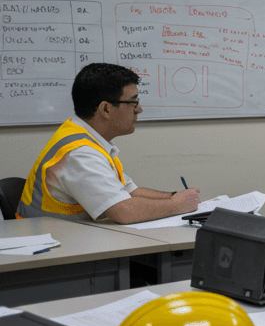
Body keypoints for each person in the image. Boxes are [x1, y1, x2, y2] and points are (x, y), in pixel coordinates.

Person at [18, 62, 200, 223]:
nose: (139, 110)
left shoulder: (86, 137)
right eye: (133, 102)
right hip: (48, 251)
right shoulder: (80, 153)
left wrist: (174, 196)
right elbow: (124, 212)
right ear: (105, 108)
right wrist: (176, 205)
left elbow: (129, 192)